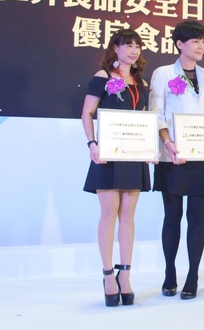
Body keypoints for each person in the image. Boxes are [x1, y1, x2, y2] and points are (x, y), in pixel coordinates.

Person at [149, 20, 204, 300]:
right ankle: (169, 273)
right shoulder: (163, 73)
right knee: (173, 216)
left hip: (203, 155)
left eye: (203, 41)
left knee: (197, 217)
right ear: (179, 44)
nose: (201, 46)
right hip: (173, 155)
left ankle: (193, 276)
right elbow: (157, 112)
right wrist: (168, 142)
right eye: (195, 41)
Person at [82, 29, 152, 307]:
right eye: (127, 46)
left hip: (133, 155)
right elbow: (87, 112)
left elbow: (145, 119)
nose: (133, 51)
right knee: (109, 213)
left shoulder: (141, 81)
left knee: (128, 215)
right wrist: (92, 143)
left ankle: (126, 274)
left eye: (137, 46)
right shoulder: (103, 78)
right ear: (115, 48)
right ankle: (108, 275)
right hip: (109, 155)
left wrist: (149, 148)